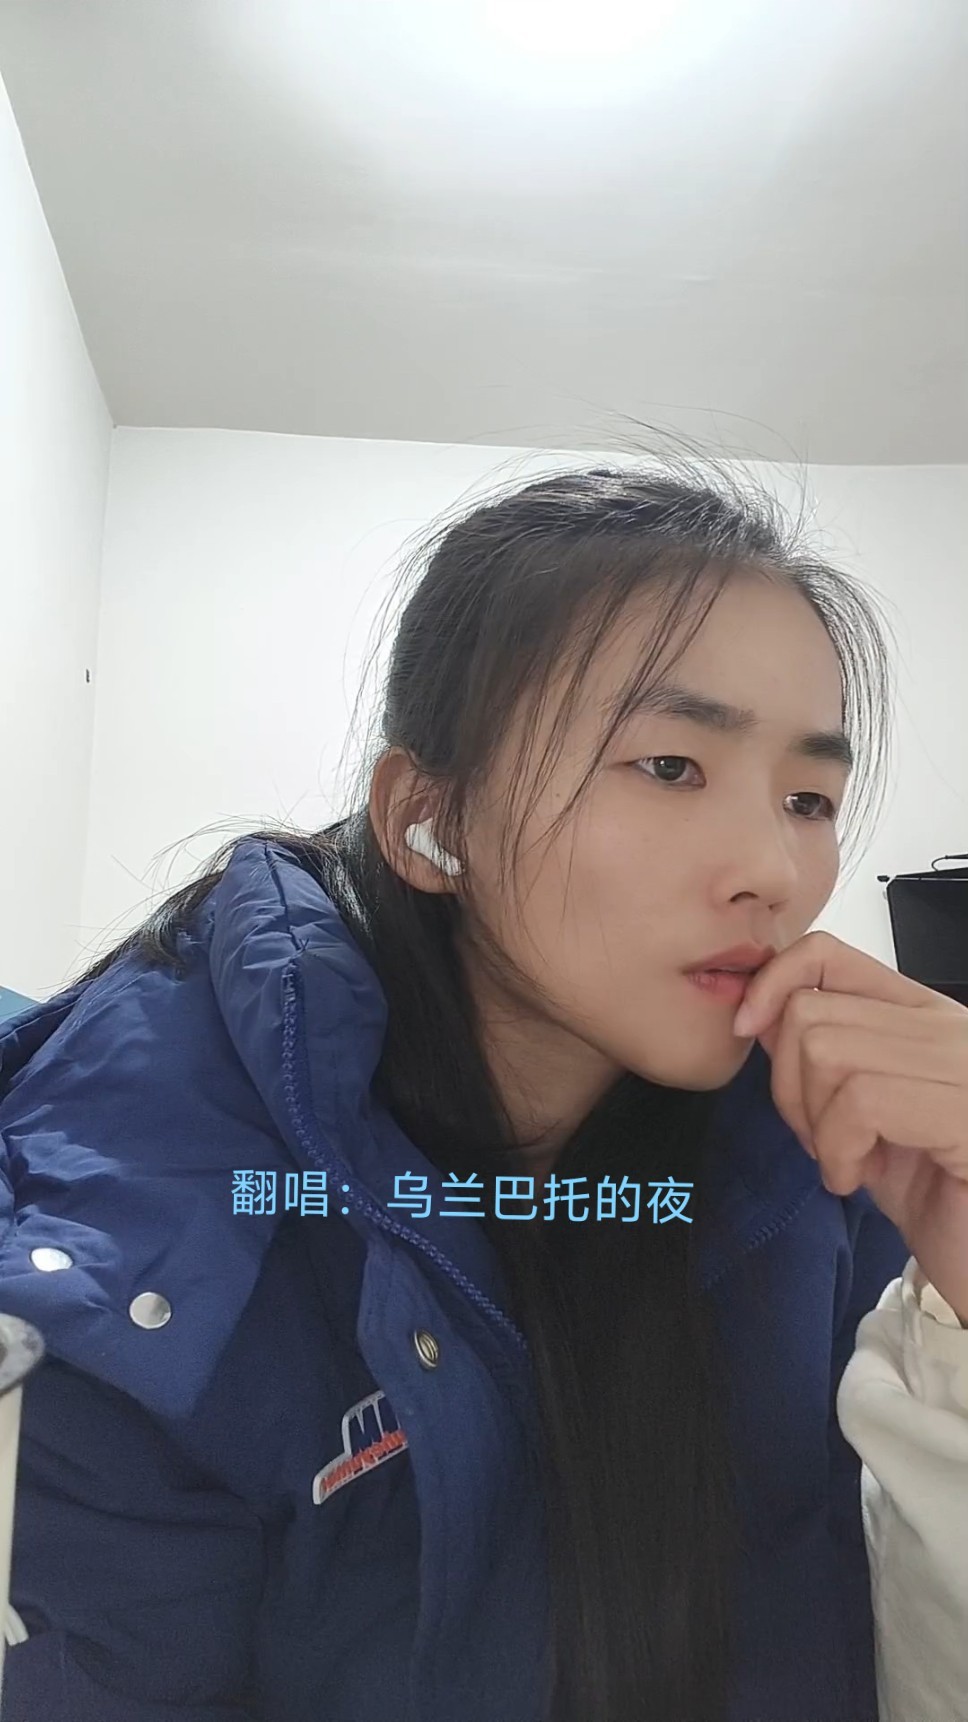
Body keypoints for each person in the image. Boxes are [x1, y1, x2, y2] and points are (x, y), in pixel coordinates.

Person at [1, 461, 967, 1722]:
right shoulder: (143, 1251)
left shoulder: (821, 1169)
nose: (774, 870)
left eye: (807, 798)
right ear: (429, 821)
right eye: (670, 765)